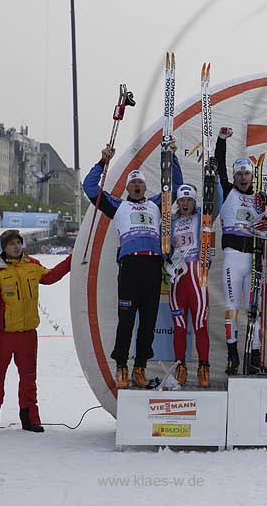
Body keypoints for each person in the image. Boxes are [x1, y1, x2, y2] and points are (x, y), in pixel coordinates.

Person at [83, 140, 183, 389]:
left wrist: (172, 157)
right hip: (129, 267)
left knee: (148, 321)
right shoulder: (118, 205)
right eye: (133, 183)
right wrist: (102, 161)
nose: (137, 186)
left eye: (140, 183)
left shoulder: (156, 204)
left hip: (152, 266)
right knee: (126, 320)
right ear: (128, 187)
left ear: (145, 187)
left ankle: (139, 368)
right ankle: (121, 367)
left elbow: (177, 187)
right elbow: (90, 188)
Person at [0, 230, 72, 433]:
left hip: (28, 335)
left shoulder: (33, 266)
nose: (16, 247)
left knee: (29, 380)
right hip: (3, 337)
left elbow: (52, 276)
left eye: (18, 243)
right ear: (4, 248)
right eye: (11, 244)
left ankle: (31, 420)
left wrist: (72, 260)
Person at [215, 127, 267, 374]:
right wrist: (221, 140)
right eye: (239, 173)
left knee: (255, 312)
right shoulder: (227, 190)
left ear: (253, 176)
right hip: (233, 256)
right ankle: (233, 356)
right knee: (232, 307)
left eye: (247, 173)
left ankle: (253, 359)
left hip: (254, 260)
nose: (243, 177)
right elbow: (219, 166)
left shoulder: (259, 199)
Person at [166, 184, 220, 387]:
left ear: (194, 202)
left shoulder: (202, 216)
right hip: (178, 277)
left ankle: (203, 368)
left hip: (197, 276)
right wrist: (167, 260)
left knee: (200, 325)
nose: (185, 203)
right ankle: (180, 367)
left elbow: (217, 201)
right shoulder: (170, 222)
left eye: (189, 200)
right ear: (177, 202)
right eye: (182, 200)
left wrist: (212, 178)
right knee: (179, 327)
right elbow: (165, 246)